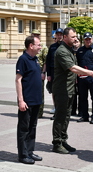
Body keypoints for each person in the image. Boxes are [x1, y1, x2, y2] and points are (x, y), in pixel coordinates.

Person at [52, 27, 93, 154]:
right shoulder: (61, 51)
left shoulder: (70, 50)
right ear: (65, 37)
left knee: (66, 116)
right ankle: (56, 143)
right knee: (60, 117)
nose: (76, 39)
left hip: (70, 89)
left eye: (76, 36)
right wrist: (91, 73)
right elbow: (73, 68)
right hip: (62, 90)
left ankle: (63, 140)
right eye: (73, 37)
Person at [15, 36, 43, 164]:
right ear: (31, 46)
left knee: (32, 127)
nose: (40, 47)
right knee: (24, 128)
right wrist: (21, 100)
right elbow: (18, 80)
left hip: (36, 100)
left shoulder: (35, 59)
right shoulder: (23, 59)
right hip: (26, 101)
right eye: (38, 45)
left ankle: (30, 152)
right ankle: (23, 155)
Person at [76, 32, 93, 124]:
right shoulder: (80, 51)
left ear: (92, 39)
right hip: (82, 78)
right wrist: (77, 77)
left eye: (89, 39)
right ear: (83, 40)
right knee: (83, 98)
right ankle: (84, 116)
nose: (88, 41)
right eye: (86, 39)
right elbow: (77, 65)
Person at [46, 28, 64, 118]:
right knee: (54, 92)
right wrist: (48, 74)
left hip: (63, 73)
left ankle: (62, 110)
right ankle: (56, 109)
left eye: (61, 34)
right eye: (58, 34)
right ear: (55, 35)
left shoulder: (66, 46)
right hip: (53, 73)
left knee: (62, 92)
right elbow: (48, 61)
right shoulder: (52, 47)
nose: (59, 36)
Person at [31, 29, 49, 118]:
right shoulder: (28, 46)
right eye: (34, 35)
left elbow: (46, 61)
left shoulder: (44, 48)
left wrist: (43, 72)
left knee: (39, 92)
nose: (36, 36)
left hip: (39, 71)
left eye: (37, 35)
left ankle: (39, 112)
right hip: (30, 72)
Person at [71, 38, 81, 116]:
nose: (75, 43)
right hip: (72, 75)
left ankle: (81, 111)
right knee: (73, 94)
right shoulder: (70, 51)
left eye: (77, 41)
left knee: (81, 94)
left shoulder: (81, 50)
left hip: (80, 75)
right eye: (74, 41)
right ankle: (73, 111)